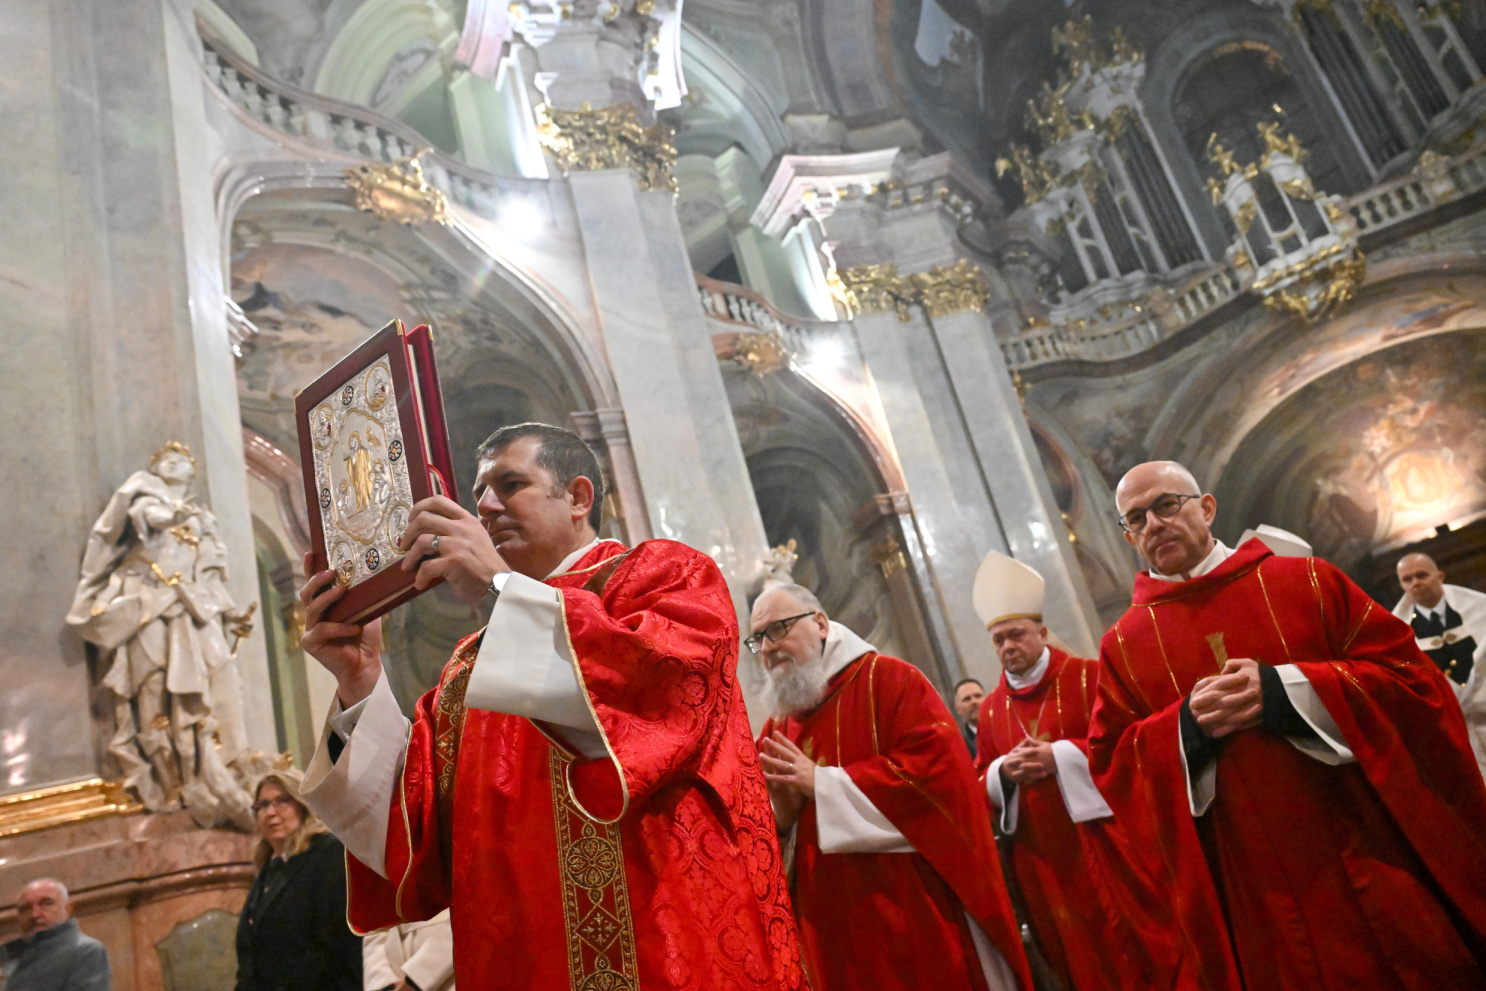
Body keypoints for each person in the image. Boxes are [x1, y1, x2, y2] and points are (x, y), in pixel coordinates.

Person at [298, 423, 805, 990]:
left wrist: (498, 588)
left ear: (578, 498)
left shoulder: (665, 575)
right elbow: (410, 833)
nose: (486, 506)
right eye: (480, 492)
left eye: (510, 483)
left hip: (666, 952)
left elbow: (656, 703)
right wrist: (361, 677)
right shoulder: (468, 667)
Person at [1087, 460, 1486, 991]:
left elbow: (1413, 682)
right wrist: (1185, 726)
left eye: (1166, 505)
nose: (1154, 525)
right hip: (1249, 883)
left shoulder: (1306, 581)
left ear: (1207, 508)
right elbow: (1111, 761)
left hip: (1362, 840)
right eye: (1135, 519)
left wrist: (1283, 691)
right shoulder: (1124, 647)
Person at [752, 583, 1032, 991]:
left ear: (821, 624)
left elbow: (940, 779)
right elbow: (765, 831)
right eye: (757, 638)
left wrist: (823, 783)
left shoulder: (890, 681)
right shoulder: (779, 725)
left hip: (907, 914)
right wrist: (783, 817)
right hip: (829, 931)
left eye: (777, 629)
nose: (766, 648)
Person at [64, 441, 256, 827]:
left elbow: (210, 572)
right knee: (150, 685)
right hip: (149, 602)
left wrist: (232, 613)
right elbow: (147, 517)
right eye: (163, 460)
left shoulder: (203, 518)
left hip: (193, 607)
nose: (170, 463)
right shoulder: (147, 494)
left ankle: (208, 766)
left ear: (192, 470)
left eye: (180, 459)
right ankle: (167, 775)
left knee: (212, 681)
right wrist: (171, 516)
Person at [971, 551, 1122, 991]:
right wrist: (1002, 771)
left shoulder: (1087, 677)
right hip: (1037, 860)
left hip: (1099, 844)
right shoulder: (990, 709)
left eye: (1016, 634)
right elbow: (977, 781)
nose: (1007, 647)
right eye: (998, 640)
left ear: (1041, 631)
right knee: (1069, 960)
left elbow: (1124, 746)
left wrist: (1060, 757)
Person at [235, 770, 362, 991]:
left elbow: (333, 941)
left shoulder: (328, 852)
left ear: (302, 805)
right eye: (262, 805)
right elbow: (250, 956)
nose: (271, 812)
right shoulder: (267, 870)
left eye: (282, 801)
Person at [1393, 551, 1486, 777]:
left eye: (1421, 575)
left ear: (1440, 576)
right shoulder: (1397, 632)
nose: (1416, 583)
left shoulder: (1479, 609)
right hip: (1451, 730)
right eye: (1407, 579)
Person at [0, 880, 110, 991]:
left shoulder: (86, 951)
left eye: (46, 903)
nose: (35, 914)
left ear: (67, 909)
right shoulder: (11, 956)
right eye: (26, 908)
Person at [363, 911, 454, 991]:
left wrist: (415, 981)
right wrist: (382, 983)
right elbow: (375, 908)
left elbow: (464, 915)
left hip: (449, 971)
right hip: (393, 965)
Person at [952, 677, 984, 758]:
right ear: (957, 708)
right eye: (967, 699)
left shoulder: (1007, 729)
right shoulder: (960, 747)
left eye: (978, 696)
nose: (974, 701)